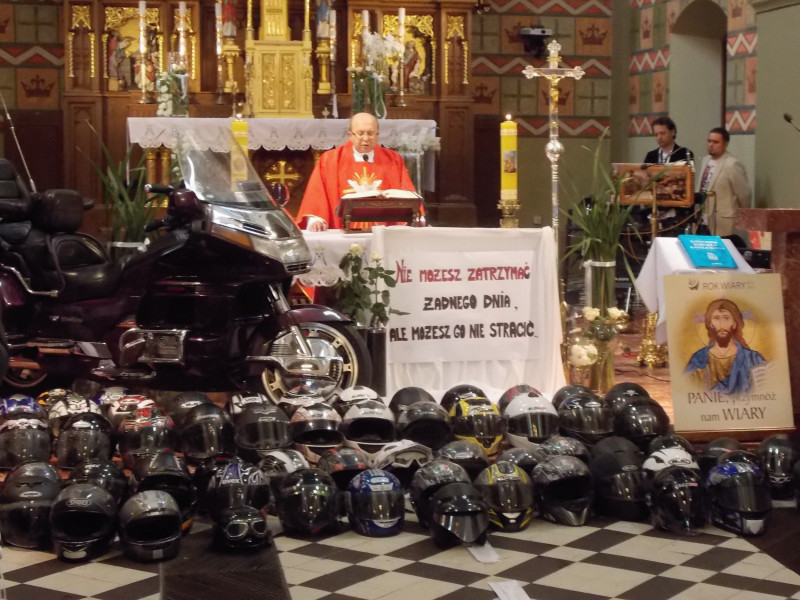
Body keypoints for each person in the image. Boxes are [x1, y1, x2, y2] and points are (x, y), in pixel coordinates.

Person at [296, 112, 418, 231]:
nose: (366, 138)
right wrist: (317, 219)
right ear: (351, 135)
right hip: (342, 232)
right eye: (360, 133)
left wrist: (417, 216)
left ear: (377, 135)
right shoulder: (330, 160)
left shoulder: (393, 159)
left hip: (384, 231)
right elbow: (317, 193)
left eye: (370, 133)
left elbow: (407, 192)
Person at [684, 298, 766, 395]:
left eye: (726, 318)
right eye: (716, 318)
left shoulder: (754, 359)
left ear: (735, 323)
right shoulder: (698, 360)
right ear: (710, 324)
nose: (721, 324)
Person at [639, 116, 696, 236]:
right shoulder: (651, 155)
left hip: (675, 211)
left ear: (672, 132)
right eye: (656, 134)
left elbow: (687, 182)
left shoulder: (684, 154)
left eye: (662, 133)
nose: (659, 137)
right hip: (654, 209)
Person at [695, 126, 752, 238]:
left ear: (725, 144)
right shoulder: (705, 160)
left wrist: (743, 217)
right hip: (703, 218)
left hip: (723, 221)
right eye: (709, 141)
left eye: (716, 142)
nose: (711, 145)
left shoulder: (732, 164)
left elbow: (744, 194)